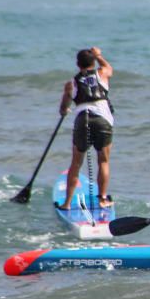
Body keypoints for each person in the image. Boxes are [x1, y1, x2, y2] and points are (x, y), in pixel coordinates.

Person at [57, 47, 114, 210]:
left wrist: (65, 110)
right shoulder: (102, 73)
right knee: (103, 160)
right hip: (102, 120)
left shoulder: (71, 84)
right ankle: (102, 199)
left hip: (82, 119)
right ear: (94, 62)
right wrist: (98, 55)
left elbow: (64, 106)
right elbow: (110, 68)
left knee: (76, 163)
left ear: (77, 64)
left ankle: (67, 203)